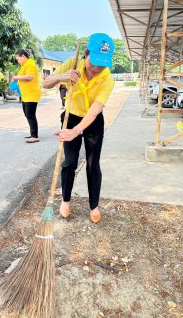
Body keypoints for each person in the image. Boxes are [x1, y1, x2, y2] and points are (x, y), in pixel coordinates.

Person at [43, 33, 115, 223]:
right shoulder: (73, 63)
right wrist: (62, 76)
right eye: (94, 62)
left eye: (103, 64)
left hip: (92, 121)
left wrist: (77, 130)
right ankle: (65, 201)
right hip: (71, 116)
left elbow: (95, 109)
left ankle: (94, 205)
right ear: (86, 54)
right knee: (69, 162)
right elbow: (45, 83)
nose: (97, 69)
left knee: (93, 164)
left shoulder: (108, 79)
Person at [12, 49, 41, 143]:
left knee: (30, 114)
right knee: (27, 114)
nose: (17, 61)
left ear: (23, 56)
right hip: (25, 94)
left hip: (31, 94)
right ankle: (32, 133)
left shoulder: (30, 64)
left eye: (18, 58)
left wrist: (16, 77)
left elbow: (29, 77)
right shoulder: (24, 65)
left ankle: (34, 136)